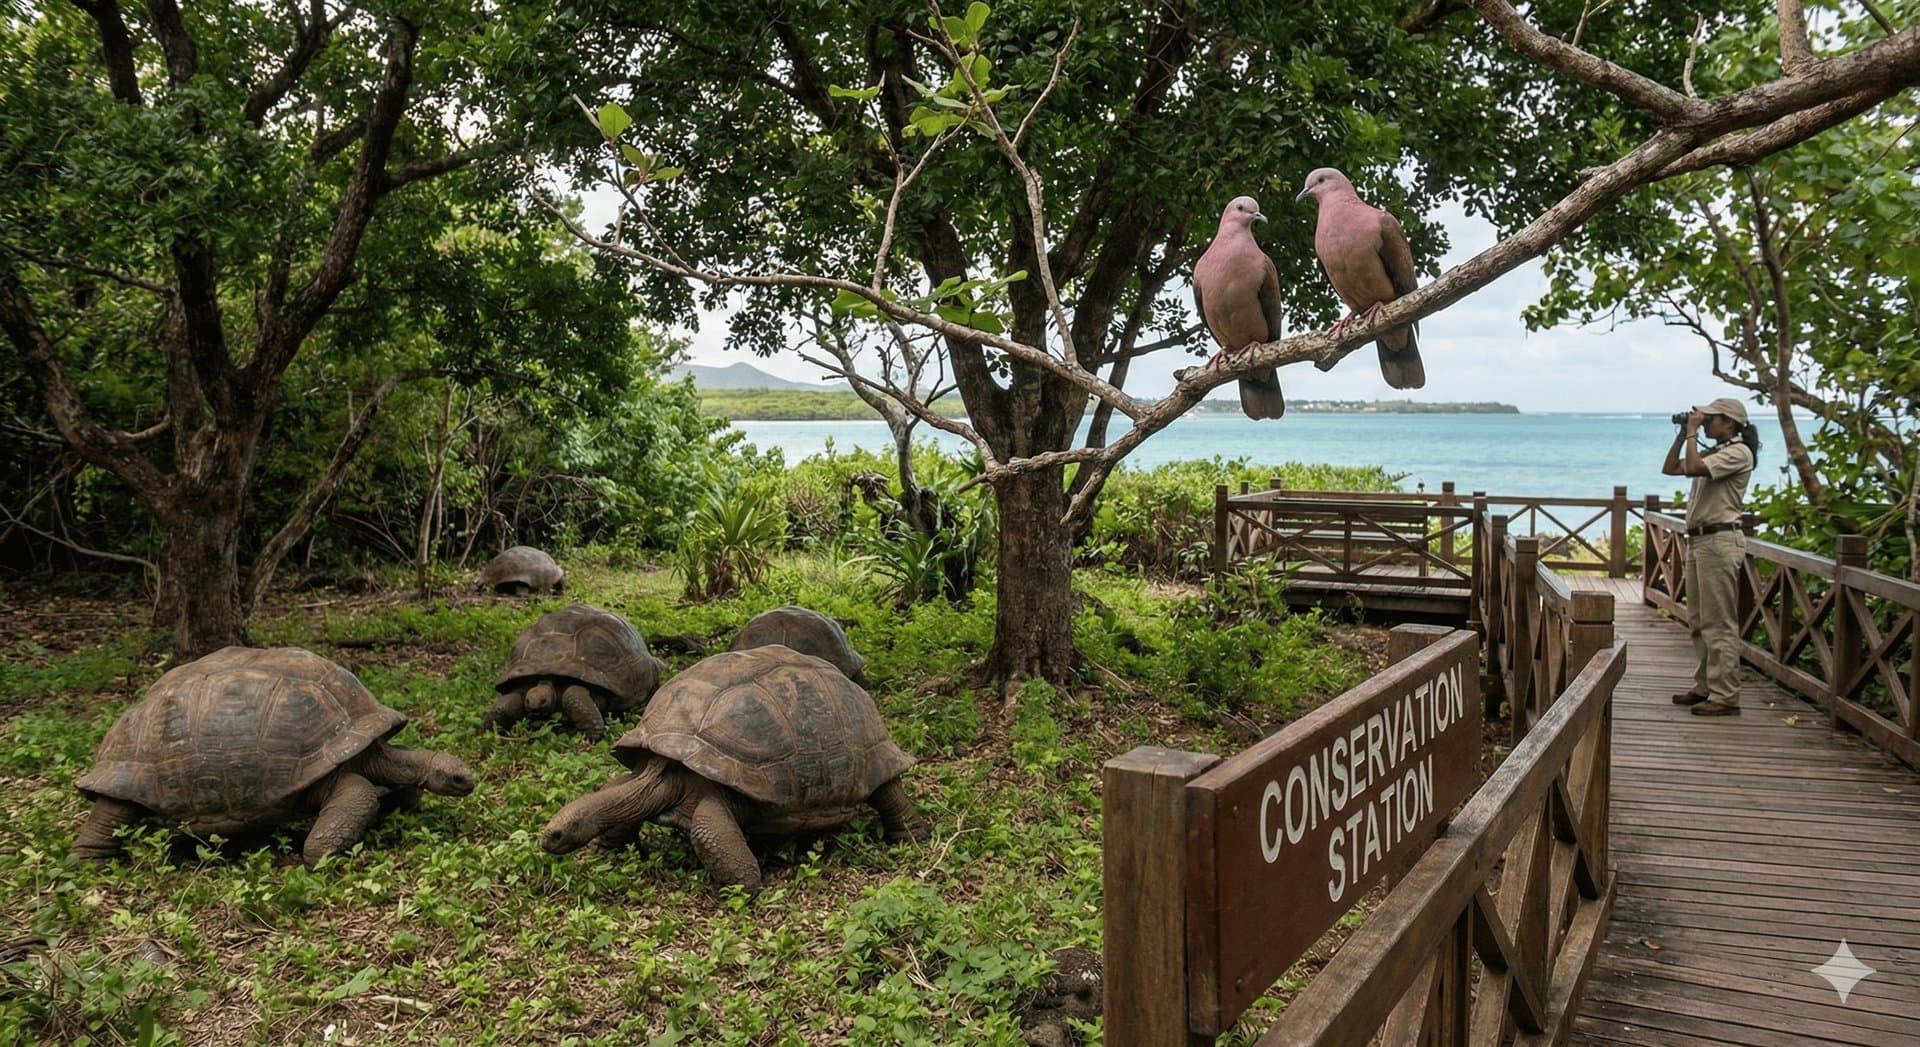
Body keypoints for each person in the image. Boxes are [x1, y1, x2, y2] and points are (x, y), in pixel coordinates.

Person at [1663, 397, 1760, 717]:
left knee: (1719, 622)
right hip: (1700, 542)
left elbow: (1692, 467)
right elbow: (1672, 468)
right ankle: (1705, 686)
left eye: (1711, 419)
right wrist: (1682, 434)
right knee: (1698, 621)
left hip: (1719, 541)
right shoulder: (1716, 451)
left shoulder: (1738, 452)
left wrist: (1692, 432)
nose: (1706, 423)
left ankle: (1726, 695)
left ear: (1729, 423)